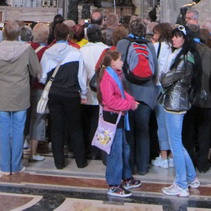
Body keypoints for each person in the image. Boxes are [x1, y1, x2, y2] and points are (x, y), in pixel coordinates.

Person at [0, 20, 40, 174]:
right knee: (18, 130)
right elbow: (36, 71)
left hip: (1, 93)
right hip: (20, 94)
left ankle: (4, 165)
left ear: (4, 33)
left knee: (4, 131)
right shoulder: (27, 49)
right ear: (18, 33)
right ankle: (16, 166)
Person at [160, 24, 202, 198]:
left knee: (175, 145)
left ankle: (181, 184)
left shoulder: (184, 59)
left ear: (186, 39)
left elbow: (165, 80)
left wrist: (163, 75)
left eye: (178, 36)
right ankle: (191, 178)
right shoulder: (183, 55)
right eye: (173, 36)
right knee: (178, 143)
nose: (174, 39)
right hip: (177, 101)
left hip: (175, 104)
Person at [39, 22, 86, 170]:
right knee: (76, 127)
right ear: (68, 36)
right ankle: (80, 161)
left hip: (54, 93)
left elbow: (42, 77)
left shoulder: (48, 52)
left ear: (54, 35)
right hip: (71, 93)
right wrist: (84, 93)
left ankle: (59, 162)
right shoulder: (76, 53)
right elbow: (81, 77)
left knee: (57, 127)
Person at [116, 16, 158, 175]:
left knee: (129, 131)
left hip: (128, 92)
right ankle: (142, 167)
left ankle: (129, 165)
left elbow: (117, 69)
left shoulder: (122, 43)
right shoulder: (149, 45)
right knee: (143, 131)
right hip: (146, 93)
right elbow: (155, 69)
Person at [97, 49, 140, 199]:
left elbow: (120, 92)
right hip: (112, 117)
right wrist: (129, 105)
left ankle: (126, 177)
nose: (122, 62)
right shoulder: (108, 77)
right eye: (120, 60)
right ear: (112, 62)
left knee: (123, 148)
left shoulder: (115, 74)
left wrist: (130, 99)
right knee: (115, 151)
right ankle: (114, 184)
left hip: (118, 116)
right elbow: (110, 101)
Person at [182, 23, 211, 173]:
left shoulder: (185, 51)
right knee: (204, 132)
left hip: (188, 97)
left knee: (188, 132)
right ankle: (202, 163)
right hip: (206, 96)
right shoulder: (208, 51)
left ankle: (190, 162)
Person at [78, 24, 109, 159]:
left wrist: (82, 92)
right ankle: (99, 151)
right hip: (103, 92)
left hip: (85, 92)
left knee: (86, 123)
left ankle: (87, 149)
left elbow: (80, 74)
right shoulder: (107, 50)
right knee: (100, 123)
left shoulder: (81, 50)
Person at [151, 22, 174, 169]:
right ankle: (172, 155)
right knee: (173, 121)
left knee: (161, 121)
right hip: (172, 87)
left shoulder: (155, 47)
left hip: (159, 85)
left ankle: (164, 155)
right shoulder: (174, 47)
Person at [27, 22, 49, 163]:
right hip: (39, 87)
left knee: (25, 118)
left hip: (25, 87)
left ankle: (23, 145)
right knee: (38, 119)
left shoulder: (26, 47)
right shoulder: (46, 51)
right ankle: (33, 152)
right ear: (46, 35)